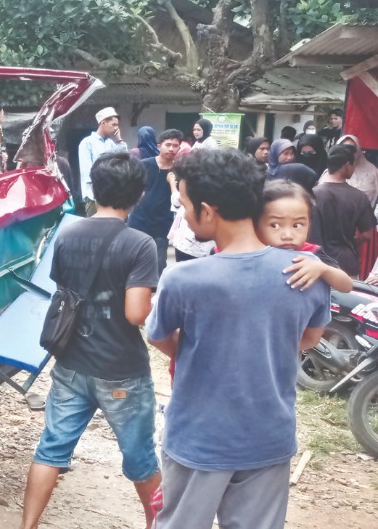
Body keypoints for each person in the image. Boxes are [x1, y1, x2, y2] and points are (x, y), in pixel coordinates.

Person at [147, 148, 329, 529]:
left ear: (208, 211)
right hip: (268, 437)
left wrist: (209, 353)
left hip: (199, 439)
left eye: (184, 204)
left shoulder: (183, 280)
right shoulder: (306, 274)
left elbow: (161, 338)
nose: (183, 213)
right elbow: (310, 339)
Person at [20, 152, 160, 529]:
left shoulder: (67, 234)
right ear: (140, 194)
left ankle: (27, 525)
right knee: (141, 460)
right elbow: (136, 314)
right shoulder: (141, 244)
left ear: (93, 190)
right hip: (121, 371)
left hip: (70, 363)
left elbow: (62, 287)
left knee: (51, 450)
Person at [257, 179, 353, 293]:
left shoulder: (312, 253)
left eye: (297, 225)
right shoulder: (253, 253)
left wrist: (323, 269)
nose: (288, 235)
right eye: (275, 225)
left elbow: (347, 286)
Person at [308, 144, 375, 277]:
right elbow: (366, 235)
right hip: (346, 263)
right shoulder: (359, 197)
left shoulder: (312, 194)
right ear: (347, 165)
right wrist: (349, 241)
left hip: (315, 262)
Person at [128, 129, 184, 275]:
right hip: (138, 220)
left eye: (175, 145)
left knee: (159, 263)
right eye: (168, 144)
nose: (171, 149)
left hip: (162, 222)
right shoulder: (144, 164)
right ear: (159, 146)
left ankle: (156, 295)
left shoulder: (179, 170)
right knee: (133, 260)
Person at [167, 142, 213, 262]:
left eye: (185, 207)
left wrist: (172, 183)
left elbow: (177, 201)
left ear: (206, 211)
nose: (185, 217)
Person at [78, 107, 126, 216]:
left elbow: (124, 159)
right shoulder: (87, 143)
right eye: (113, 124)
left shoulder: (111, 144)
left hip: (110, 195)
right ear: (103, 122)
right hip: (93, 196)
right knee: (93, 230)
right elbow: (87, 172)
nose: (116, 128)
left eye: (117, 125)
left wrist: (119, 139)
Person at [336, 135, 378, 204]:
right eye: (345, 147)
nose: (349, 150)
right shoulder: (334, 171)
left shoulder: (374, 172)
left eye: (352, 147)